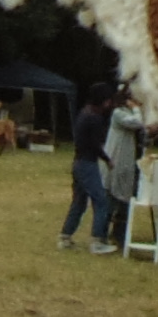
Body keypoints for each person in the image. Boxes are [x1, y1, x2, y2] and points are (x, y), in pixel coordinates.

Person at [59, 87, 110, 249]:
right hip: (88, 164)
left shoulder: (83, 114)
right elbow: (95, 144)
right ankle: (97, 241)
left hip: (78, 163)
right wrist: (107, 159)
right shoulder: (94, 118)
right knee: (101, 201)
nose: (109, 104)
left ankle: (65, 237)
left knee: (79, 202)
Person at [95, 93, 145, 251]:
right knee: (110, 202)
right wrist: (137, 110)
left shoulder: (130, 113)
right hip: (116, 163)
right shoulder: (118, 113)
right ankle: (100, 236)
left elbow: (142, 128)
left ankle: (119, 235)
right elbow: (136, 123)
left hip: (130, 164)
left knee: (125, 203)